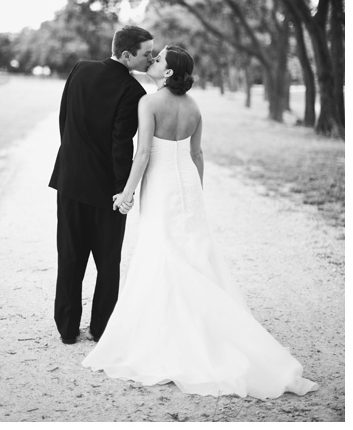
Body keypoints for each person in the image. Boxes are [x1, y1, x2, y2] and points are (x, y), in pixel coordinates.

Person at [82, 46, 318, 399]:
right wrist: (197, 193)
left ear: (166, 73)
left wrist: (126, 193)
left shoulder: (148, 103)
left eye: (158, 59)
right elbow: (196, 154)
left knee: (161, 251)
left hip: (161, 182)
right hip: (189, 184)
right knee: (190, 252)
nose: (153, 61)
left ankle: (167, 335)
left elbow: (143, 153)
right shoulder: (193, 107)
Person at [48, 26, 154, 344]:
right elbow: (120, 145)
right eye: (146, 53)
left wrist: (71, 158)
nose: (151, 57)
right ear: (126, 55)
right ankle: (101, 329)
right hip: (107, 191)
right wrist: (124, 191)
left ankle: (67, 328)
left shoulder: (80, 69)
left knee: (69, 256)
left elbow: (64, 118)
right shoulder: (134, 92)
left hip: (68, 180)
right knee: (108, 263)